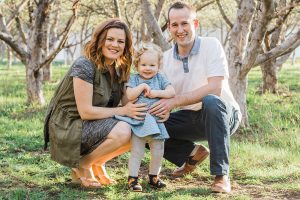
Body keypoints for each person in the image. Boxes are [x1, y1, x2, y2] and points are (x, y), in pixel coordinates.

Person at [44, 19, 148, 188]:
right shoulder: (84, 65)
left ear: (126, 45)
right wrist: (124, 111)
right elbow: (85, 112)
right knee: (124, 130)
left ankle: (98, 163)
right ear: (100, 40)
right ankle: (83, 164)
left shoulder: (119, 68)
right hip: (70, 125)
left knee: (141, 128)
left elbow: (127, 102)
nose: (115, 45)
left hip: (92, 122)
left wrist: (149, 90)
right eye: (110, 39)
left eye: (121, 41)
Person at [149, 2, 241, 193]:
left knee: (211, 101)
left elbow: (215, 88)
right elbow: (159, 94)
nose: (180, 30)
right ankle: (192, 154)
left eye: (185, 23)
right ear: (169, 27)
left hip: (223, 114)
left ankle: (221, 175)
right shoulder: (164, 59)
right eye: (174, 25)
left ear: (195, 24)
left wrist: (174, 102)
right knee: (148, 124)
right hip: (190, 118)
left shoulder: (211, 45)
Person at [115, 43, 175, 192]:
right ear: (137, 65)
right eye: (144, 64)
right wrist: (142, 87)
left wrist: (155, 93)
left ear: (158, 66)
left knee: (158, 150)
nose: (148, 68)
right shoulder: (134, 79)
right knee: (137, 151)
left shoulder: (160, 78)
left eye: (152, 65)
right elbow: (129, 95)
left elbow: (171, 92)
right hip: (139, 121)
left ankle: (154, 176)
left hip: (156, 122)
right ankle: (133, 178)